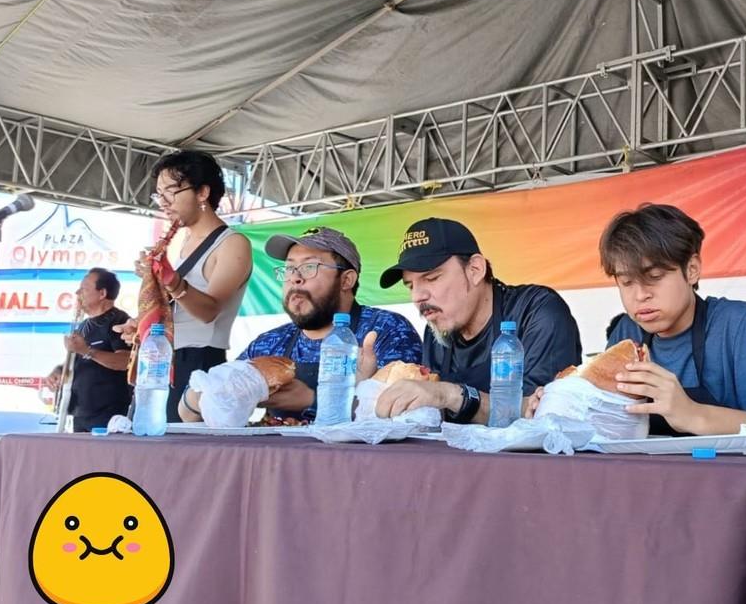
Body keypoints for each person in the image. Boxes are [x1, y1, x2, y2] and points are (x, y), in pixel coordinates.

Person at [594, 203, 746, 436]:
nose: (640, 295)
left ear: (692, 269)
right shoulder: (627, 335)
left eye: (654, 277)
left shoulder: (740, 326)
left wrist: (695, 415)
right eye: (627, 282)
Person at [179, 227, 421, 423]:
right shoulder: (270, 343)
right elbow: (188, 413)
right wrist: (204, 392)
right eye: (290, 268)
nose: (295, 277)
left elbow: (403, 412)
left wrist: (311, 401)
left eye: (309, 267)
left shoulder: (386, 330)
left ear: (346, 280)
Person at [367, 218, 582, 424]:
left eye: (431, 278)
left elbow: (542, 413)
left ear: (475, 270)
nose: (417, 297)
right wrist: (365, 387)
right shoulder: (437, 333)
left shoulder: (536, 311)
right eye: (410, 286)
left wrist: (450, 395)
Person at [120, 150, 253, 419]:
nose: (163, 202)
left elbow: (209, 311)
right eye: (159, 194)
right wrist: (142, 322)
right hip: (164, 361)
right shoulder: (184, 243)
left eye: (171, 191)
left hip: (197, 361)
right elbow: (179, 307)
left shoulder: (232, 244)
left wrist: (172, 281)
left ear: (202, 193)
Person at [60, 268, 134, 433]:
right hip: (80, 414)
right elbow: (81, 361)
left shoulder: (120, 321)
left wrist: (87, 350)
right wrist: (59, 372)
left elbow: (126, 362)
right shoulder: (84, 325)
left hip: (108, 416)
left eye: (84, 288)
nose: (78, 292)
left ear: (102, 293)